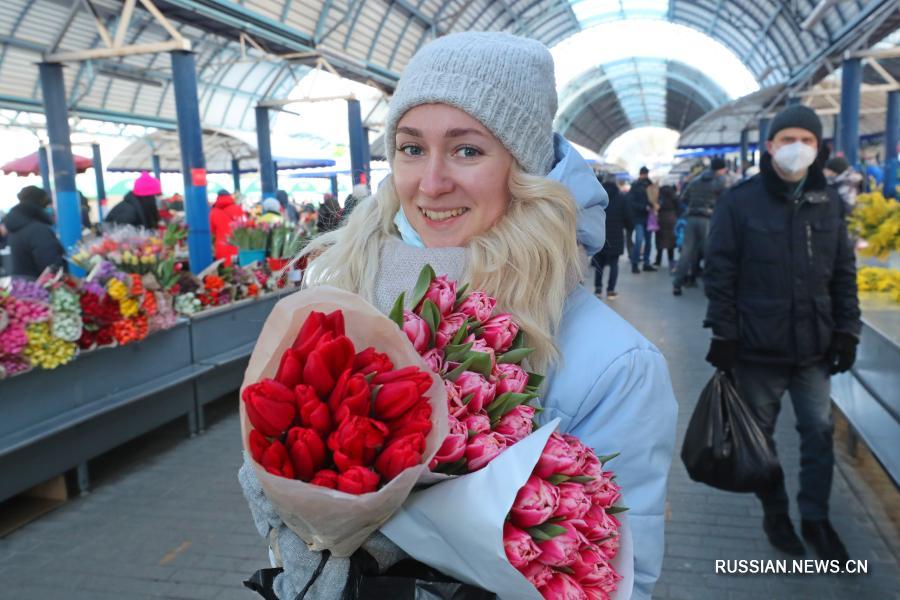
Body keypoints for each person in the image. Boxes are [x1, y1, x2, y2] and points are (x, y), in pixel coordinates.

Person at [240, 31, 677, 600]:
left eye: (467, 149)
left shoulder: (615, 363)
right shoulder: (339, 289)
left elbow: (618, 577)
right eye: (411, 147)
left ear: (523, 168)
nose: (431, 182)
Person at [703, 105, 860, 561]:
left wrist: (847, 330)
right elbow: (721, 271)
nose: (797, 148)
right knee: (762, 440)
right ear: (769, 145)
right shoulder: (740, 202)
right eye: (788, 138)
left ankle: (816, 518)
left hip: (814, 346)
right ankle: (776, 515)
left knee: (819, 430)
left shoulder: (828, 201)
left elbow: (843, 272)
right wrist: (725, 334)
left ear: (818, 148)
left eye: (807, 141)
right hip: (757, 347)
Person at [672, 157, 727, 296]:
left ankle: (677, 284)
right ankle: (711, 285)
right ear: (720, 169)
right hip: (708, 220)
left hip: (691, 219)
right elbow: (726, 201)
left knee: (686, 253)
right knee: (709, 253)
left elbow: (683, 198)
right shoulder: (720, 182)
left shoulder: (695, 181)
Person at [3, 185, 66, 278]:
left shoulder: (16, 227)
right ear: (39, 205)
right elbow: (51, 267)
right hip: (42, 289)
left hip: (23, 287)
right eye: (47, 204)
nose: (50, 208)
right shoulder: (38, 230)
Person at [592, 172, 631, 299]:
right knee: (614, 264)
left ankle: (598, 289)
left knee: (599, 263)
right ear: (615, 182)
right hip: (616, 236)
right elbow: (627, 217)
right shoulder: (621, 197)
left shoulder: (598, 196)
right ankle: (611, 291)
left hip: (599, 233)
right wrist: (628, 229)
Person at [627, 166, 656, 273]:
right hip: (638, 218)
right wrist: (644, 207)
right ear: (641, 174)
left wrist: (656, 205)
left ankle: (646, 263)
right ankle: (635, 263)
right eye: (644, 174)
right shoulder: (635, 186)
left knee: (648, 241)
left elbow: (656, 198)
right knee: (639, 240)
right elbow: (631, 203)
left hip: (649, 218)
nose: (645, 176)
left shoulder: (651, 185)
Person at [209, 189, 244, 262]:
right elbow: (245, 226)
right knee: (238, 270)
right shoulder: (238, 209)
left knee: (225, 271)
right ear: (230, 197)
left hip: (221, 248)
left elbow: (211, 232)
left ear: (218, 197)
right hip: (237, 246)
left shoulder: (213, 212)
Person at [654, 185, 679, 270]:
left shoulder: (659, 197)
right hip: (672, 219)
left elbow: (656, 207)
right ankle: (671, 260)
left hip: (661, 219)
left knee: (660, 239)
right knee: (671, 240)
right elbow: (678, 206)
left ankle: (658, 260)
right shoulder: (674, 196)